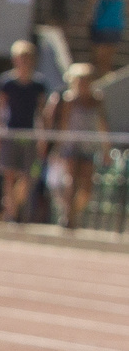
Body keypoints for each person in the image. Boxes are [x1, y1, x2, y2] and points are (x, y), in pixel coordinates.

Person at [46, 62, 109, 229]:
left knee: (87, 186)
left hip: (89, 146)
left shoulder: (97, 100)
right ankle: (68, 217)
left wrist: (106, 149)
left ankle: (72, 211)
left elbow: (103, 124)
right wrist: (59, 147)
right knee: (71, 180)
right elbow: (64, 124)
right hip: (71, 145)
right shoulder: (68, 100)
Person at [0, 40, 51, 222]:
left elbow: (41, 113)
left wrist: (43, 137)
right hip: (10, 133)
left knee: (29, 175)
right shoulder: (7, 82)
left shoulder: (39, 84)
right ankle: (10, 213)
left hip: (30, 135)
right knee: (9, 175)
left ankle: (12, 207)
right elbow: (0, 110)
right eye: (21, 58)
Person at [91, 0, 124, 74]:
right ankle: (103, 73)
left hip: (111, 28)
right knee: (101, 57)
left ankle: (105, 73)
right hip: (102, 28)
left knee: (106, 57)